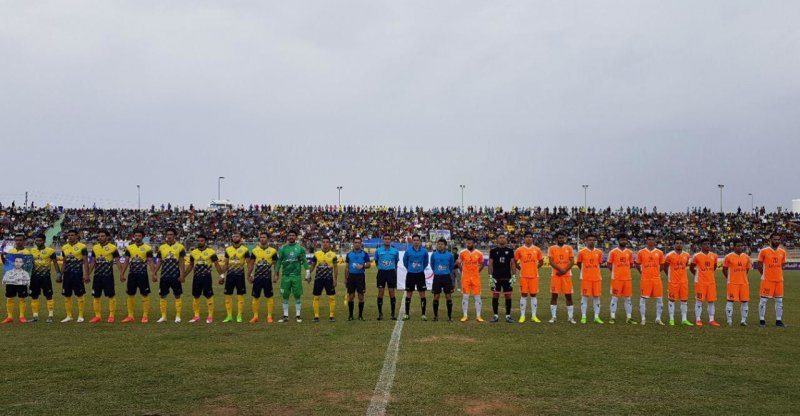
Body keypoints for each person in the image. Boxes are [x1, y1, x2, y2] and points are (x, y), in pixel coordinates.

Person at [119, 228, 153, 323]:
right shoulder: (129, 248)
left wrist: (154, 273)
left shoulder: (147, 248)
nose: (137, 237)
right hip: (132, 275)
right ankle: (130, 316)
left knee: (144, 294)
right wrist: (122, 273)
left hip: (143, 275)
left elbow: (150, 261)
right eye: (136, 236)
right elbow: (126, 261)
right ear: (133, 237)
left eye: (139, 236)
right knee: (130, 294)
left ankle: (145, 316)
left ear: (142, 237)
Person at [186, 234, 222, 324]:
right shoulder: (193, 252)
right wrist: (183, 275)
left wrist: (222, 276)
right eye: (198, 240)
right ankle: (196, 316)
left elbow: (217, 264)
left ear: (205, 242)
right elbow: (190, 265)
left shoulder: (211, 252)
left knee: (209, 295)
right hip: (196, 277)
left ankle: (210, 316)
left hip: (207, 277)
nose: (200, 242)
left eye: (201, 241)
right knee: (196, 295)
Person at [88, 229, 121, 324]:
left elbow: (117, 261)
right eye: (99, 236)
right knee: (96, 296)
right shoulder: (95, 248)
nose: (100, 238)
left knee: (111, 295)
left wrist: (121, 273)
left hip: (108, 276)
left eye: (102, 236)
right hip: (97, 276)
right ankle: (97, 316)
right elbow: (93, 261)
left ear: (107, 237)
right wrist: (87, 274)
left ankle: (111, 316)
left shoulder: (113, 248)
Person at [154, 228, 187, 323]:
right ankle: (163, 316)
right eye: (168, 234)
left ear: (174, 236)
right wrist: (155, 273)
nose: (169, 236)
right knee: (162, 295)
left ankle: (178, 316)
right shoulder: (162, 247)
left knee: (177, 295)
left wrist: (182, 274)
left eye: (171, 234)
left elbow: (181, 261)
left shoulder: (180, 247)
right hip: (164, 275)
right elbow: (159, 261)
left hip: (175, 275)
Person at [275, 230, 308, 323]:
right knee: (285, 296)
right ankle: (285, 316)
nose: (291, 237)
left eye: (293, 235)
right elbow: (279, 261)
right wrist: (276, 273)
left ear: (296, 237)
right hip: (285, 276)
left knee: (297, 296)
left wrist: (308, 271)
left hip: (296, 276)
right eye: (289, 235)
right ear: (287, 237)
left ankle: (298, 316)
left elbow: (304, 261)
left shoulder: (300, 249)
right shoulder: (283, 248)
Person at [58, 229, 90, 323]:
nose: (70, 237)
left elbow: (85, 262)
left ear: (77, 236)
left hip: (78, 274)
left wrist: (86, 274)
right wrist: (60, 274)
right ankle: (69, 316)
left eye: (72, 235)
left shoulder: (82, 247)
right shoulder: (64, 247)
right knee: (67, 295)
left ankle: (80, 316)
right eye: (69, 235)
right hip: (67, 275)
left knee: (79, 295)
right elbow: (64, 262)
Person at [756, 233, 787, 328]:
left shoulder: (782, 252)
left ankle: (778, 320)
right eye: (775, 239)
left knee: (779, 300)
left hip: (779, 280)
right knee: (763, 300)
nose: (777, 241)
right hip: (767, 280)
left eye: (778, 240)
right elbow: (759, 265)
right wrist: (765, 274)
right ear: (770, 240)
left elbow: (783, 265)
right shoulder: (764, 251)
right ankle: (762, 320)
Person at [248, 232, 278, 323]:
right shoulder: (254, 250)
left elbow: (276, 265)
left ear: (267, 239)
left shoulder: (273, 251)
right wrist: (249, 275)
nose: (262, 239)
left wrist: (276, 275)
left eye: (264, 237)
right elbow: (251, 264)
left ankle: (269, 316)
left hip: (267, 278)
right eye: (261, 237)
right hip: (257, 278)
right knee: (255, 297)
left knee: (269, 297)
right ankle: (255, 316)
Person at [635, 234, 665, 326]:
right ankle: (643, 319)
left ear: (655, 241)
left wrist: (656, 273)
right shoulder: (641, 252)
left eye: (652, 239)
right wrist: (643, 273)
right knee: (643, 299)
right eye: (649, 239)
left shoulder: (659, 252)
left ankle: (658, 319)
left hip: (656, 279)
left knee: (659, 299)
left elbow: (662, 265)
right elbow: (637, 264)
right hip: (645, 279)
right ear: (646, 241)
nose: (651, 241)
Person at [515, 232, 544, 323]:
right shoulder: (519, 250)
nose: (528, 238)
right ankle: (522, 316)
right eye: (527, 237)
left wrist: (535, 268)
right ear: (524, 238)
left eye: (530, 237)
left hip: (534, 276)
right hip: (523, 276)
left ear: (532, 238)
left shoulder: (537, 249)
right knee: (523, 295)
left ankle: (534, 316)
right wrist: (521, 269)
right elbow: (515, 262)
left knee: (533, 295)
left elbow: (541, 261)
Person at [29, 233, 60, 322]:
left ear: (44, 241)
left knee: (48, 296)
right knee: (34, 296)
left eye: (40, 240)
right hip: (34, 277)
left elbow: (55, 263)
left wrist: (58, 274)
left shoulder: (50, 251)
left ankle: (50, 316)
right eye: (37, 240)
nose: (38, 242)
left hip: (45, 277)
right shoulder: (32, 251)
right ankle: (35, 316)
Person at [2, 234, 31, 323]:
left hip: (21, 279)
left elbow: (28, 266)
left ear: (24, 241)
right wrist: (2, 257)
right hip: (11, 279)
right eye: (17, 240)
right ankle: (9, 317)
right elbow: (6, 264)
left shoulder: (27, 253)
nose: (18, 242)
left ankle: (22, 316)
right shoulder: (11, 251)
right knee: (9, 298)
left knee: (22, 298)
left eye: (20, 240)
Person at [607, 234, 636, 324]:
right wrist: (616, 272)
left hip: (627, 279)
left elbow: (631, 264)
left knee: (628, 299)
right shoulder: (613, 252)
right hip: (616, 279)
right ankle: (612, 317)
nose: (623, 241)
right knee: (615, 298)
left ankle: (629, 318)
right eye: (622, 239)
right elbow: (609, 264)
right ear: (618, 241)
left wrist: (624, 271)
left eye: (625, 239)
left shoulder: (630, 252)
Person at [690, 238, 720, 327]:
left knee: (711, 301)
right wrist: (698, 275)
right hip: (700, 282)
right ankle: (698, 319)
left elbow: (714, 267)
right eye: (705, 244)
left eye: (708, 244)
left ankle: (711, 319)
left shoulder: (714, 256)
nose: (707, 245)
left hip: (711, 282)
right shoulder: (696, 256)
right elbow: (692, 267)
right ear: (701, 245)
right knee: (699, 301)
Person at [547, 231, 575, 324]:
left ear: (565, 238)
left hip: (567, 276)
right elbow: (551, 261)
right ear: (556, 239)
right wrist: (560, 270)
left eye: (562, 238)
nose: (561, 239)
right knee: (554, 295)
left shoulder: (569, 248)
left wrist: (564, 271)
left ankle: (570, 317)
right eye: (559, 238)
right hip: (556, 275)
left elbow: (572, 261)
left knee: (569, 296)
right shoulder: (551, 248)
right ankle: (553, 316)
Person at [664, 237, 693, 326]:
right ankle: (671, 319)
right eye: (677, 243)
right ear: (674, 244)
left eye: (680, 243)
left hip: (684, 281)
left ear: (683, 245)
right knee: (672, 300)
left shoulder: (686, 255)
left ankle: (684, 319)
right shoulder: (669, 255)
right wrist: (670, 276)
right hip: (673, 281)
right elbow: (665, 267)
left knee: (684, 300)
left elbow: (686, 264)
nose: (679, 244)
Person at [222, 231, 250, 323]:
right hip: (230, 276)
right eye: (233, 236)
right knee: (228, 295)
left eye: (237, 236)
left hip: (240, 276)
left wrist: (250, 275)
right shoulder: (228, 249)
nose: (235, 238)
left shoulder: (245, 250)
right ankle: (229, 315)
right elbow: (226, 264)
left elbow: (249, 264)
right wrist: (222, 275)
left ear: (240, 238)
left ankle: (239, 315)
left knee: (240, 295)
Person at [576, 233, 604, 324]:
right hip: (586, 278)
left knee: (597, 297)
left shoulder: (599, 252)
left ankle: (596, 317)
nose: (591, 241)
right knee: (585, 297)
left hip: (596, 278)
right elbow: (579, 263)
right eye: (590, 240)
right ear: (586, 241)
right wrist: (584, 271)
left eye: (593, 240)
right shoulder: (582, 252)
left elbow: (599, 264)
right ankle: (583, 317)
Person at [309, 236, 338, 322]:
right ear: (322, 243)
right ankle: (316, 316)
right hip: (318, 279)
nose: (325, 243)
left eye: (327, 242)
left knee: (331, 297)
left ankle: (331, 316)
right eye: (324, 242)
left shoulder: (333, 255)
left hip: (329, 279)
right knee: (316, 297)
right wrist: (308, 274)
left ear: (329, 244)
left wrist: (335, 279)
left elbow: (335, 268)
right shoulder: (317, 254)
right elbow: (313, 265)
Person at [489, 234, 516, 323]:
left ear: (506, 240)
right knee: (495, 295)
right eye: (500, 237)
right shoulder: (493, 251)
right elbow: (490, 263)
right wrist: (490, 276)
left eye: (503, 237)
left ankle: (508, 316)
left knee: (508, 295)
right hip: (496, 277)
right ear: (497, 239)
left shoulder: (510, 250)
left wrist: (514, 275)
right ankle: (495, 315)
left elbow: (512, 263)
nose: (502, 239)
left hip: (507, 277)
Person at [723, 240, 751, 327]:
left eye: (741, 246)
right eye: (738, 246)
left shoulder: (746, 257)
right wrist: (730, 278)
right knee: (730, 301)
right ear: (734, 247)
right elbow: (724, 269)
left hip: (744, 283)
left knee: (745, 301)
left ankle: (743, 320)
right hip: (732, 283)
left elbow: (747, 269)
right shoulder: (728, 257)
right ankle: (729, 320)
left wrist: (742, 277)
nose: (740, 247)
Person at [457, 237, 484, 322]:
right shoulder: (462, 253)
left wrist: (477, 271)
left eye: (470, 243)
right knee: (465, 297)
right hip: (466, 278)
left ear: (473, 244)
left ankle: (478, 316)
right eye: (467, 243)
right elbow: (458, 262)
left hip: (476, 278)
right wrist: (462, 271)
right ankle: (465, 315)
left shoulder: (479, 253)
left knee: (477, 297)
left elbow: (482, 263)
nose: (468, 245)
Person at [402, 234, 429, 321]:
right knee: (409, 293)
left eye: (418, 240)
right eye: (414, 240)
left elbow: (425, 262)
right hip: (410, 274)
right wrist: (410, 269)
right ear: (412, 241)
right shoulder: (408, 251)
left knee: (422, 294)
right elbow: (405, 262)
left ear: (420, 241)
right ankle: (406, 314)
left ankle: (423, 314)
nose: (416, 242)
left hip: (420, 274)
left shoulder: (424, 251)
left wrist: (420, 269)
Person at [374, 234, 399, 320]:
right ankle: (380, 313)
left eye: (388, 239)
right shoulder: (378, 250)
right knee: (380, 292)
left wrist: (390, 267)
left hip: (391, 273)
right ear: (383, 240)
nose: (387, 240)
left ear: (390, 240)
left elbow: (396, 262)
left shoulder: (395, 251)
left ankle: (393, 313)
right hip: (381, 273)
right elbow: (376, 261)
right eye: (385, 239)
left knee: (391, 292)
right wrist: (382, 268)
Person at [344, 237, 370, 321]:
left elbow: (369, 265)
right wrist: (345, 278)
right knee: (351, 296)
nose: (357, 244)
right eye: (355, 242)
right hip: (351, 277)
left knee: (361, 296)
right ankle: (350, 315)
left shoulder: (364, 254)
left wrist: (362, 266)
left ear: (361, 244)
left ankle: (360, 315)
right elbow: (347, 267)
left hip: (360, 277)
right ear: (353, 243)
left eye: (358, 242)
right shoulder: (349, 254)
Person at [430, 238, 455, 322]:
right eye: (439, 244)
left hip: (446, 277)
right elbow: (432, 265)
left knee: (448, 296)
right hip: (437, 277)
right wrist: (437, 271)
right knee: (436, 296)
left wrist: (446, 271)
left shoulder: (450, 255)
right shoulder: (434, 254)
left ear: (445, 246)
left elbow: (451, 266)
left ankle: (449, 316)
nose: (440, 245)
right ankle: (435, 316)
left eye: (441, 244)